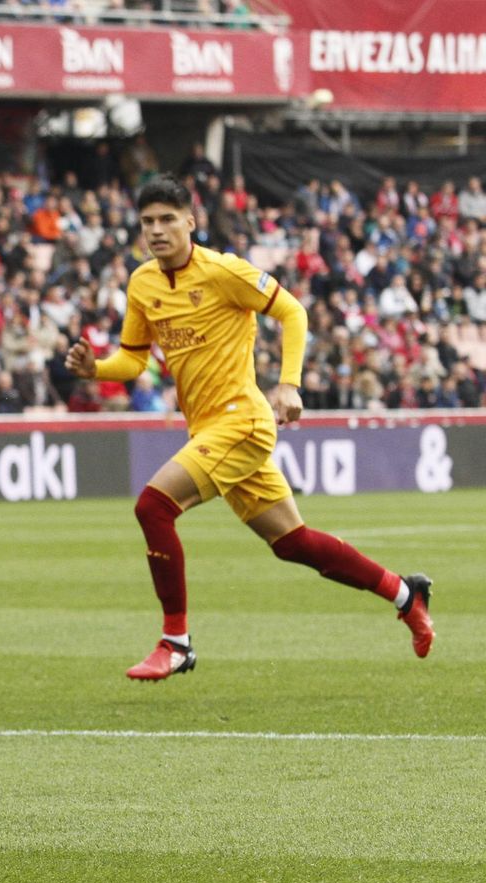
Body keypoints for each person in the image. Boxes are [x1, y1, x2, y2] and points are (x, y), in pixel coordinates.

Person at [65, 175, 433, 681]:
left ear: (190, 222)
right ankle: (406, 594)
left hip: (243, 420)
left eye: (167, 219)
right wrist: (97, 370)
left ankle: (176, 642)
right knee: (292, 543)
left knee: (153, 506)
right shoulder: (142, 283)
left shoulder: (224, 271)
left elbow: (292, 311)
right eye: (148, 221)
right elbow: (133, 359)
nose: (157, 230)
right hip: (208, 431)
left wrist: (289, 385)